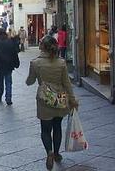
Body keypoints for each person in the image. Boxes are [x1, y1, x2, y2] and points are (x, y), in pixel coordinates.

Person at [26, 36, 79, 170]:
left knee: (45, 129)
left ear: (42, 46)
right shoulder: (61, 63)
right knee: (57, 126)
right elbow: (67, 83)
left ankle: (48, 152)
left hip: (44, 98)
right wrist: (72, 100)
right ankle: (56, 153)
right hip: (60, 97)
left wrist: (32, 76)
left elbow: (29, 81)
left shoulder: (35, 63)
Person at [0, 28, 20, 105]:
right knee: (8, 82)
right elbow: (14, 53)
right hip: (9, 65)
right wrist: (16, 63)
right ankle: (8, 98)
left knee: (0, 81)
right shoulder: (10, 42)